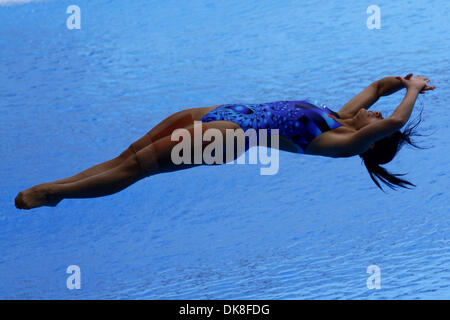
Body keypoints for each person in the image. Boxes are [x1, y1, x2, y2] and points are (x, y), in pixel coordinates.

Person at [14, 73, 434, 210]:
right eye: (375, 111)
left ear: (371, 138)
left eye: (377, 120)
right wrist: (406, 79)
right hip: (225, 111)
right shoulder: (341, 116)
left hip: (235, 135)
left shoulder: (349, 143)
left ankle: (55, 193)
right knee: (126, 156)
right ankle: (59, 186)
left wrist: (411, 93)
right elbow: (380, 88)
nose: (376, 112)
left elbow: (394, 119)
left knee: (134, 170)